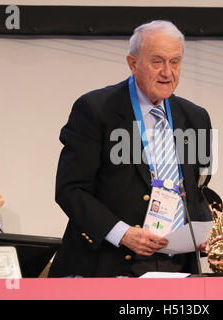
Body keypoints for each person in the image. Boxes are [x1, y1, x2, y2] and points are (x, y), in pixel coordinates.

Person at [49, 20, 213, 277]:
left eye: (175, 62)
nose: (167, 72)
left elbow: (199, 187)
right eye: (157, 61)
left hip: (177, 267)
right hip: (109, 262)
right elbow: (71, 190)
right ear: (133, 63)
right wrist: (122, 233)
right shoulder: (95, 109)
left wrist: (200, 231)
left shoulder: (196, 117)